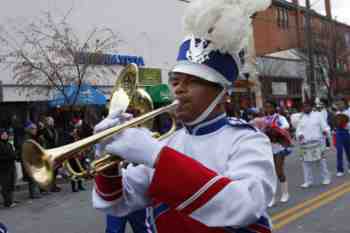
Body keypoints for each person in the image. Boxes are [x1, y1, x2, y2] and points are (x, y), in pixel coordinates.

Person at [92, 1, 276, 232]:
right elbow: (116, 203)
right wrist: (107, 160)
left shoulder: (247, 140)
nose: (179, 89)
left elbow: (243, 206)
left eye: (194, 81)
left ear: (221, 94)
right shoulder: (168, 142)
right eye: (176, 81)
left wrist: (158, 156)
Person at [296, 102, 331, 188]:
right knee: (305, 163)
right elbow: (298, 129)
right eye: (304, 107)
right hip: (305, 143)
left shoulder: (318, 115)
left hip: (317, 142)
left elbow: (325, 126)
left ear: (311, 107)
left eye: (307, 106)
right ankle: (308, 181)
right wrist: (299, 134)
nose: (306, 108)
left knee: (321, 161)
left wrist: (326, 131)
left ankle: (326, 178)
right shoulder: (300, 117)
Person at [263, 101, 292, 206]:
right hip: (268, 147)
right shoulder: (264, 119)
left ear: (275, 108)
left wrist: (276, 129)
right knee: (270, 172)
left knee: (279, 170)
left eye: (270, 107)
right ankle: (272, 197)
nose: (268, 109)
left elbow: (286, 126)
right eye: (266, 107)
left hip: (279, 146)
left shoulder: (279, 118)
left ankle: (285, 193)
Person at [21, 121, 42, 199]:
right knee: (33, 177)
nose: (35, 130)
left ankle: (34, 193)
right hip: (31, 160)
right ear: (29, 129)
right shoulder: (27, 138)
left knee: (33, 177)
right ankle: (34, 194)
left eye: (36, 128)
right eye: (33, 129)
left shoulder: (32, 137)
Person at [0, 128, 17, 208]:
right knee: (5, 185)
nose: (5, 135)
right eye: (3, 134)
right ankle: (7, 202)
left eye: (6, 134)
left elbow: (13, 153)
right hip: (4, 168)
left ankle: (10, 200)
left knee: (11, 184)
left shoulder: (9, 144)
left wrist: (14, 156)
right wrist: (10, 157)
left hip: (11, 166)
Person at [334, 98, 350, 177]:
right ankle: (340, 170)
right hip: (339, 133)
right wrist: (336, 126)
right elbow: (335, 123)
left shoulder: (349, 111)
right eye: (338, 104)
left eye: (341, 104)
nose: (339, 105)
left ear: (345, 104)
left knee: (348, 151)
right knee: (339, 151)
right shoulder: (337, 113)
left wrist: (346, 125)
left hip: (347, 132)